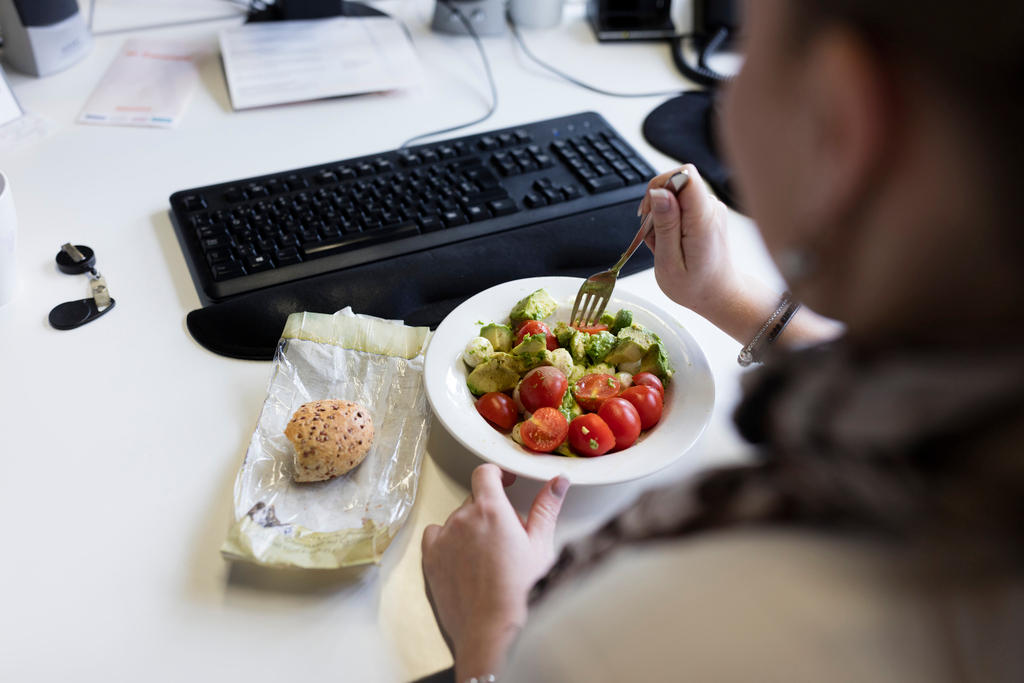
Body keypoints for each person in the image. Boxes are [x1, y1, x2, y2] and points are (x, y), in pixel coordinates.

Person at [420, 0, 1024, 680]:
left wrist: (492, 631)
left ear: (838, 121)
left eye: (739, 61)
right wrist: (726, 296)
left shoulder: (632, 638)